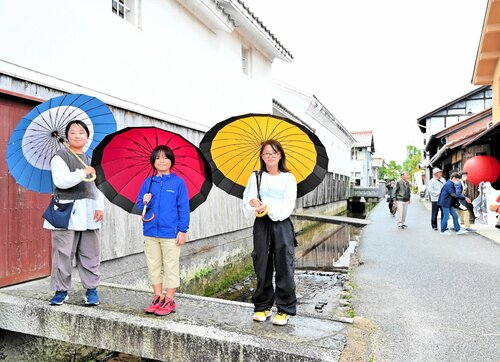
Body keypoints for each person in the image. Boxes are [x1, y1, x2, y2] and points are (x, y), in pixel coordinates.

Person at [44, 120, 104, 306]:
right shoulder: (60, 156)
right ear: (67, 136)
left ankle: (91, 289)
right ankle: (61, 291)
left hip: (88, 211)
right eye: (72, 132)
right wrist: (81, 173)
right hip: (66, 211)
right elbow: (60, 181)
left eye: (81, 132)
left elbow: (98, 186)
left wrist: (100, 206)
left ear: (87, 137)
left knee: (90, 252)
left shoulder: (90, 160)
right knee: (63, 253)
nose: (77, 136)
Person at [242, 140, 297, 326]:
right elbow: (248, 198)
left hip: (281, 224)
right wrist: (253, 204)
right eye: (266, 153)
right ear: (262, 156)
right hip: (261, 224)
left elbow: (289, 204)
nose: (270, 156)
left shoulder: (288, 178)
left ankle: (284, 308)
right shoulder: (256, 176)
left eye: (273, 153)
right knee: (261, 263)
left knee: (283, 264)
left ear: (280, 155)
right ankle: (263, 306)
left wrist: (269, 207)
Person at [137, 145, 190, 316]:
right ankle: (157, 297)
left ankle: (169, 299)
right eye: (158, 158)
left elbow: (184, 208)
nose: (161, 161)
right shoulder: (148, 182)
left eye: (165, 157)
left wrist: (182, 230)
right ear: (153, 162)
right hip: (151, 231)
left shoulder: (178, 182)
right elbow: (140, 206)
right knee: (153, 265)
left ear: (171, 161)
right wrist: (144, 201)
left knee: (170, 266)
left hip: (170, 233)